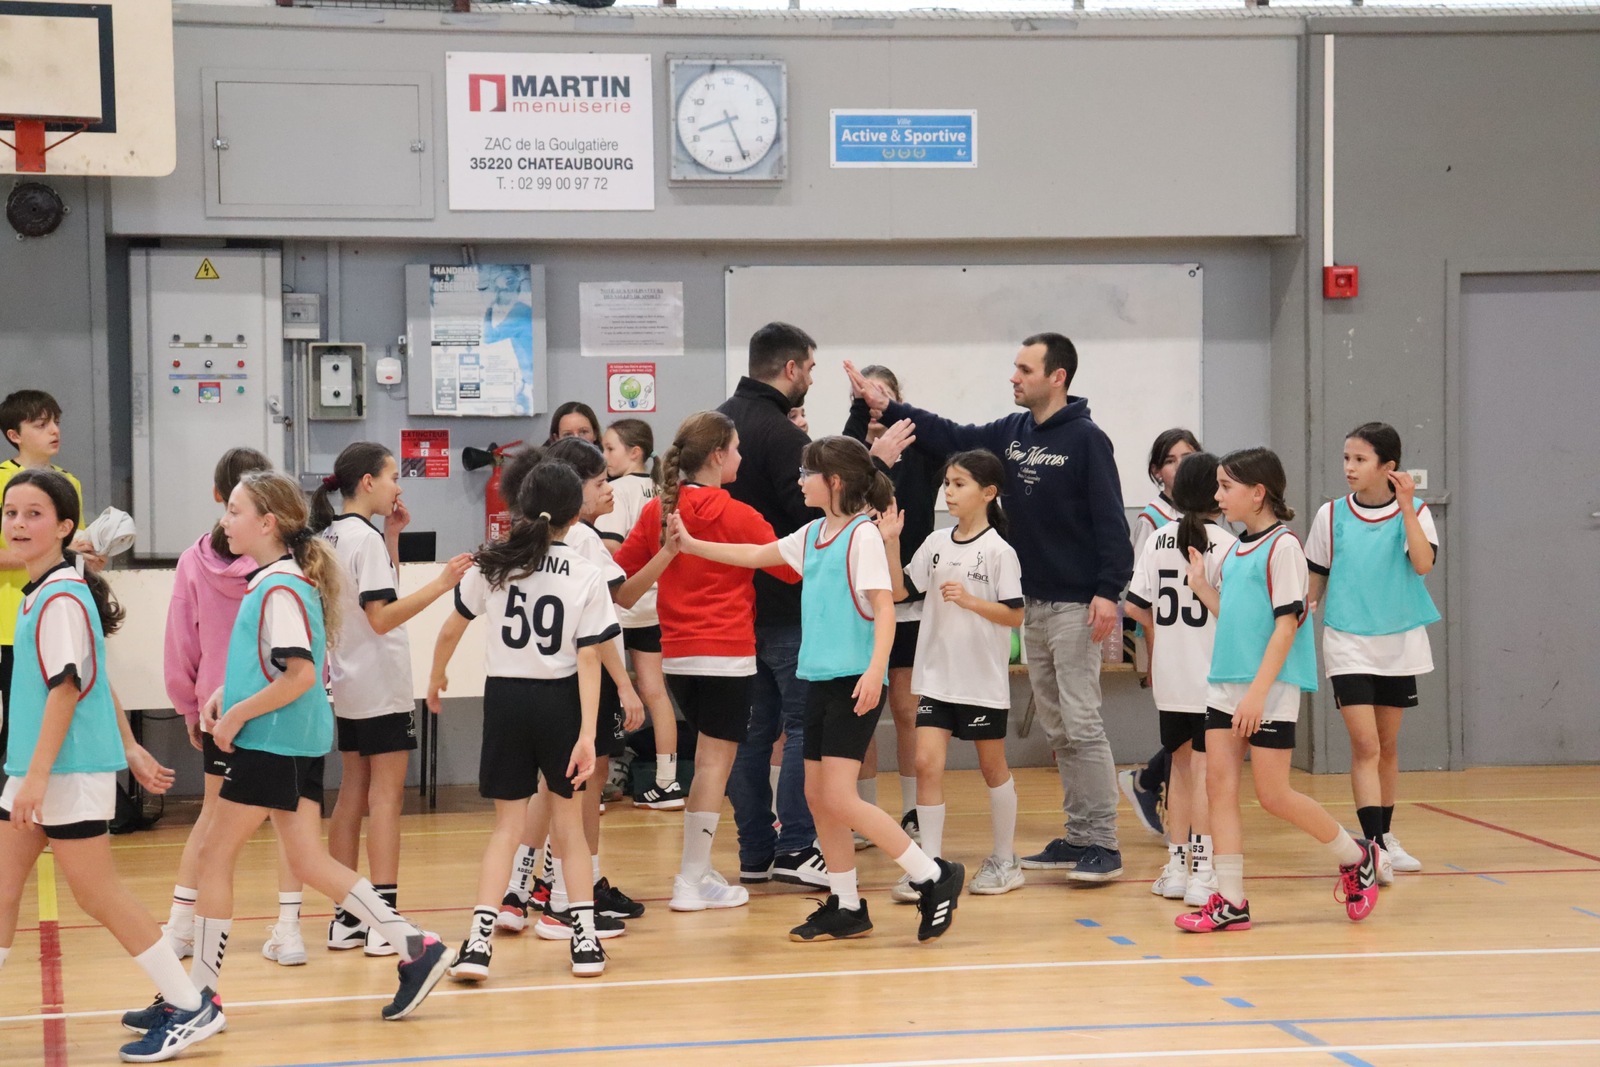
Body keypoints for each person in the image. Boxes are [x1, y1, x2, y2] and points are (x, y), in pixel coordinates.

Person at [122, 470, 450, 1038]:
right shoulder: (277, 580)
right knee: (306, 861)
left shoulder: (279, 586)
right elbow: (274, 666)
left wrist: (237, 716)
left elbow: (299, 675)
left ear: (267, 523)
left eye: (236, 511)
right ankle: (416, 947)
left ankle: (198, 998)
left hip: (273, 741)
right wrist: (230, 695)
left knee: (214, 856)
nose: (226, 520)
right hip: (289, 738)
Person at [847, 333, 1132, 882]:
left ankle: (1103, 841)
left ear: (1058, 377)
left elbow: (1109, 517)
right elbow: (950, 435)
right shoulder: (1013, 431)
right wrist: (890, 407)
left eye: (1025, 369)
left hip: (1076, 603)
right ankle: (1078, 834)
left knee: (1081, 721)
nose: (1014, 377)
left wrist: (1108, 589)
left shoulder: (1087, 439)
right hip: (1033, 602)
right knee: (1057, 725)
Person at [674, 435, 966, 944]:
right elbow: (756, 554)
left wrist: (875, 670)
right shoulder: (813, 534)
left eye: (806, 473)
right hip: (818, 679)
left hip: (854, 681)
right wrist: (693, 546)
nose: (800, 480)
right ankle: (847, 904)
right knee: (817, 795)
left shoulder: (862, 536)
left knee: (838, 796)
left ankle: (932, 874)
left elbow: (885, 608)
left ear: (832, 481)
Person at [0, 470, 212, 1064]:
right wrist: (131, 746)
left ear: (65, 527)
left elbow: (68, 689)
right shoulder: (47, 591)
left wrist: (37, 777)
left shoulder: (61, 598)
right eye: (11, 512)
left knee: (98, 895)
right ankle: (187, 1002)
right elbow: (94, 680)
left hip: (64, 771)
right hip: (40, 768)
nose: (18, 523)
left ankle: (190, 1006)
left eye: (34, 514)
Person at [428, 462, 624, 980]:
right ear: (574, 514)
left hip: (505, 701)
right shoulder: (585, 573)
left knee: (506, 829)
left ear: (521, 506)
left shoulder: (494, 562)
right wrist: (587, 734)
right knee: (569, 829)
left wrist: (436, 676)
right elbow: (589, 657)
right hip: (560, 702)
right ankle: (584, 942)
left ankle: (477, 944)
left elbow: (450, 629)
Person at [1177, 448, 1381, 933]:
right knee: (1219, 787)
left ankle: (1357, 857)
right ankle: (1231, 901)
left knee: (1273, 794)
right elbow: (1235, 618)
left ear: (1258, 493)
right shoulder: (1236, 548)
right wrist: (1203, 588)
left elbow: (1286, 626)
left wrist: (1257, 694)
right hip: (1225, 684)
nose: (1217, 495)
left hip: (1267, 688)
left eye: (1226, 486)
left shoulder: (1284, 547)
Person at [614, 412, 800, 912]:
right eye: (735, 448)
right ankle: (690, 880)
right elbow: (790, 572)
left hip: (676, 656)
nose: (741, 456)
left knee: (707, 767)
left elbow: (620, 579)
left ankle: (699, 871)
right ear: (717, 455)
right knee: (715, 768)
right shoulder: (738, 513)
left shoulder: (658, 511)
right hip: (726, 655)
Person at [478, 439, 649, 940]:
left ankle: (517, 891)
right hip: (574, 683)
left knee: (545, 792)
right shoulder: (583, 542)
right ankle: (567, 899)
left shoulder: (522, 543)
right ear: (573, 492)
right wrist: (626, 685)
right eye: (599, 482)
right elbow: (610, 620)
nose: (608, 489)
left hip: (522, 687)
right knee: (577, 792)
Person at [310, 443, 472, 957]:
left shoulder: (332, 534)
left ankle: (346, 917)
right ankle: (384, 920)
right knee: (385, 799)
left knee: (352, 793)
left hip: (349, 682)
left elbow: (377, 596)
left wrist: (395, 537)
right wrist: (443, 584)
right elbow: (381, 617)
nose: (398, 486)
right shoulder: (364, 539)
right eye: (392, 476)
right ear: (367, 482)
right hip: (380, 683)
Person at [161, 447, 307, 966]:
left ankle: (182, 927)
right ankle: (289, 930)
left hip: (221, 708)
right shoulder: (284, 567)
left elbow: (181, 643)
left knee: (212, 819)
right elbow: (308, 655)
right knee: (291, 819)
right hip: (275, 707)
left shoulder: (196, 562)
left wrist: (188, 705)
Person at [883, 450, 1026, 900]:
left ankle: (1005, 859)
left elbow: (1014, 615)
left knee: (992, 767)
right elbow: (900, 590)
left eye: (959, 484)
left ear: (988, 492)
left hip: (980, 681)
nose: (949, 492)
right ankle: (929, 868)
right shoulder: (935, 543)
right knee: (926, 763)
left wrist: (970, 601)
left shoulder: (1000, 551)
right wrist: (891, 542)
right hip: (937, 678)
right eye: (947, 483)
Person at [1306, 423, 1439, 882]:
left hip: (1398, 644)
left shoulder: (1416, 512)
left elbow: (1423, 563)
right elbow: (1316, 577)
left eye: (1360, 460)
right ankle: (1373, 846)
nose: (1349, 467)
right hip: (1347, 642)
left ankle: (1385, 836)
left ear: (1388, 467)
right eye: (1347, 458)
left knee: (1387, 745)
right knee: (1365, 745)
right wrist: (1298, 614)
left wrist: (1407, 508)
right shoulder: (1329, 515)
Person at [718, 323, 826, 887]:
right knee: (803, 727)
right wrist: (873, 464)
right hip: (787, 606)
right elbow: (815, 518)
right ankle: (797, 846)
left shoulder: (718, 422)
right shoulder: (783, 436)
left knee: (752, 734)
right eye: (809, 367)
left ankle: (754, 852)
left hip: (733, 608)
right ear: (790, 369)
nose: (811, 378)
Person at [1123, 452, 1233, 908]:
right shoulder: (1227, 544)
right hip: (1212, 677)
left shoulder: (1158, 539)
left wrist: (1162, 638)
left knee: (1180, 772)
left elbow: (1134, 605)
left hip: (1170, 677)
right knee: (1208, 776)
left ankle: (1176, 868)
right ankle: (1203, 873)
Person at [842, 365, 935, 844]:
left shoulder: (925, 455)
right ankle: (863, 812)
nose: (873, 405)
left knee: (906, 708)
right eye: (863, 397)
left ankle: (915, 809)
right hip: (860, 603)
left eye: (881, 396)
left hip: (909, 600)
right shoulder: (847, 459)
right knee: (861, 709)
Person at [0, 390, 96, 789]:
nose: (53, 431)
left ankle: (39, 797)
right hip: (9, 627)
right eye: (41, 425)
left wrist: (90, 555)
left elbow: (74, 546)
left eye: (55, 422)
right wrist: (39, 550)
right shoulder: (2, 480)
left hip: (56, 618)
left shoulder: (68, 482)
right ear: (14, 435)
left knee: (56, 712)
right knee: (13, 726)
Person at [597, 418, 684, 810]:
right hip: (654, 606)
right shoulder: (663, 489)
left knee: (604, 694)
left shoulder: (617, 490)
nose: (604, 456)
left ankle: (595, 785)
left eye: (610, 448)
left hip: (619, 606)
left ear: (634, 452)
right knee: (655, 692)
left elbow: (611, 550)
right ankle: (667, 782)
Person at [1120, 428, 1202, 839]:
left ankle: (1147, 780)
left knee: (1195, 723)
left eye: (1188, 457)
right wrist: (1153, 652)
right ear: (1157, 472)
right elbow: (1140, 596)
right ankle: (1178, 822)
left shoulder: (1210, 514)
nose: (1181, 466)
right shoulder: (1152, 520)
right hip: (1162, 633)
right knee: (1181, 724)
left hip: (1197, 636)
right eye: (1171, 460)